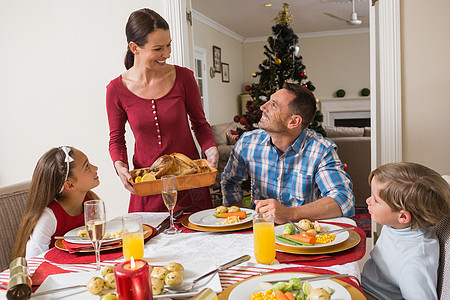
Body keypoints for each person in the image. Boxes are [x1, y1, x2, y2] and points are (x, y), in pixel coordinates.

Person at [106, 8, 218, 213]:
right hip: (148, 189)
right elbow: (116, 139)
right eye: (158, 48)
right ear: (134, 47)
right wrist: (120, 166)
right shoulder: (115, 90)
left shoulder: (185, 78)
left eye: (169, 45)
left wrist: (210, 148)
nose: (166, 54)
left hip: (190, 184)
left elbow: (200, 125)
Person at [221, 83, 354, 224]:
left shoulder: (321, 150)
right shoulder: (247, 142)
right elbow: (230, 182)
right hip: (261, 230)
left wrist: (289, 213)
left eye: (273, 105)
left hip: (302, 236)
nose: (262, 107)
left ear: (293, 121)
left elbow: (344, 200)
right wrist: (239, 221)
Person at [361, 162, 450, 300]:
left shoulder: (415, 261)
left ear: (403, 216)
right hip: (363, 284)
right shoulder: (397, 225)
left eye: (376, 200)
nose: (368, 201)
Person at [11, 146, 100, 259]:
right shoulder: (49, 217)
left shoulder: (91, 201)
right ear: (69, 185)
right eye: (87, 167)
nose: (95, 167)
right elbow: (33, 260)